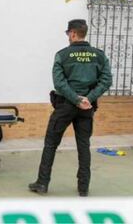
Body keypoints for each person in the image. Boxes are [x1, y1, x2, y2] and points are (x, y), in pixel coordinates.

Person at [29, 19, 112, 196]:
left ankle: (42, 183)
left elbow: (59, 83)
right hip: (86, 107)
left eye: (68, 33)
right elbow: (106, 80)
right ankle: (84, 188)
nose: (68, 36)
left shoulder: (62, 55)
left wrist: (75, 99)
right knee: (84, 145)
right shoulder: (99, 55)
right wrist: (87, 99)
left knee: (51, 144)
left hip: (65, 106)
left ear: (73, 33)